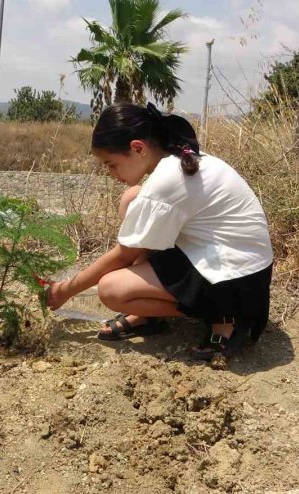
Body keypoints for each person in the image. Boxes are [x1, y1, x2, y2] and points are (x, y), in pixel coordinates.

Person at [46, 103, 274, 360]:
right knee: (132, 199)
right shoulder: (176, 158)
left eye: (111, 164)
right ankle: (148, 315)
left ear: (137, 148)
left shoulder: (167, 179)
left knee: (111, 289)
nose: (111, 174)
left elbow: (124, 254)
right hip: (224, 255)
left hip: (237, 281)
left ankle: (224, 315)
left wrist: (67, 290)